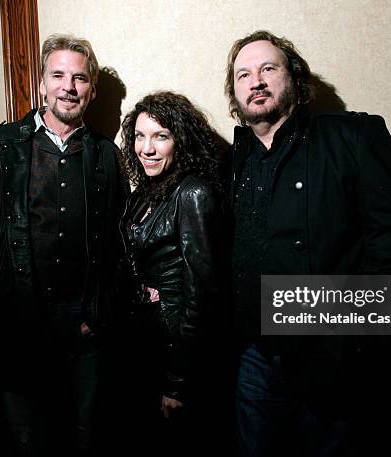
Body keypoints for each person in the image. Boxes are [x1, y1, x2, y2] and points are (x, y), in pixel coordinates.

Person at [224, 30, 391, 456]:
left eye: (267, 69)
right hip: (254, 359)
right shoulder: (234, 160)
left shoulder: (351, 137)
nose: (255, 81)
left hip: (329, 360)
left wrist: (351, 345)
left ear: (294, 78)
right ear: (235, 92)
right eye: (243, 74)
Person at [0, 34, 127, 456]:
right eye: (59, 75)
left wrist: (100, 311)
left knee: (86, 436)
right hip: (17, 321)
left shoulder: (107, 156)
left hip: (84, 325)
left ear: (92, 90)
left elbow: (121, 243)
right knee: (27, 439)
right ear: (42, 84)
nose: (69, 86)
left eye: (80, 78)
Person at [116, 91, 229, 456]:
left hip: (174, 347)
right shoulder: (147, 191)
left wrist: (179, 383)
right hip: (145, 340)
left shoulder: (192, 192)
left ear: (181, 140)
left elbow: (202, 295)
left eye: (161, 136)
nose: (146, 148)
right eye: (139, 135)